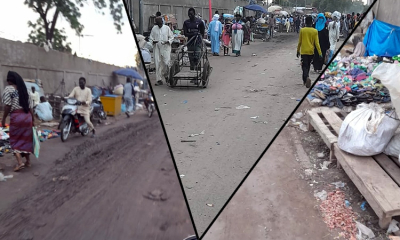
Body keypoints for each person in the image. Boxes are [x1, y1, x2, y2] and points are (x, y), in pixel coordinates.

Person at [2, 71, 35, 172]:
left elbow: (7, 106)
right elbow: (30, 107)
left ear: (10, 80)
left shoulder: (8, 89)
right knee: (26, 139)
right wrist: (33, 119)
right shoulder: (24, 90)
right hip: (27, 117)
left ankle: (20, 163)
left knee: (15, 140)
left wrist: (3, 119)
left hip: (17, 118)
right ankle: (28, 161)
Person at [297, 16, 322, 88]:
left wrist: (298, 50)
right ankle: (306, 78)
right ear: (312, 22)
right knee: (308, 65)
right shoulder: (315, 31)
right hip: (311, 52)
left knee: (304, 66)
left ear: (305, 22)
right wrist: (320, 54)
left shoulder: (302, 30)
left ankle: (306, 78)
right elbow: (317, 43)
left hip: (303, 51)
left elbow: (300, 42)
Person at [150, 16, 174, 86]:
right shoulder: (154, 28)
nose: (159, 25)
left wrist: (168, 41)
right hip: (157, 47)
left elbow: (171, 37)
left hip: (165, 47)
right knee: (157, 63)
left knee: (166, 63)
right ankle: (159, 80)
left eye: (160, 23)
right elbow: (151, 38)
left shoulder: (167, 28)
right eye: (158, 24)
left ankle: (166, 76)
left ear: (162, 22)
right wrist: (153, 42)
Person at [183, 8, 205, 73]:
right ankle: (192, 74)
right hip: (190, 43)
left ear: (194, 14)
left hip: (198, 43)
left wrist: (200, 38)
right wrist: (192, 34)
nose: (190, 15)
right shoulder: (186, 22)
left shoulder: (199, 22)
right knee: (191, 59)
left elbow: (202, 32)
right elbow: (185, 33)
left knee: (197, 59)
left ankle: (197, 75)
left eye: (191, 14)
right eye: (189, 14)